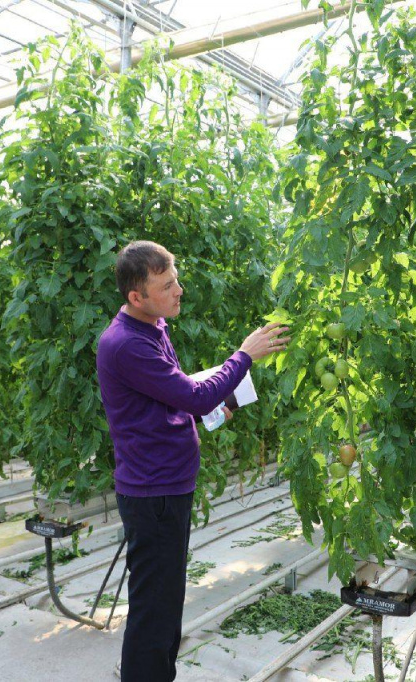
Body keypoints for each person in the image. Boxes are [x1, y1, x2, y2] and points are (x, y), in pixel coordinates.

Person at [96, 240, 289, 681]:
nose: (179, 290)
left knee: (165, 607)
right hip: (155, 494)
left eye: (176, 279)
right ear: (136, 297)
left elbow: (176, 397)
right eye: (167, 285)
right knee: (154, 613)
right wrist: (244, 356)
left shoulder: (154, 324)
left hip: (167, 487)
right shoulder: (126, 344)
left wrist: (221, 402)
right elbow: (194, 396)